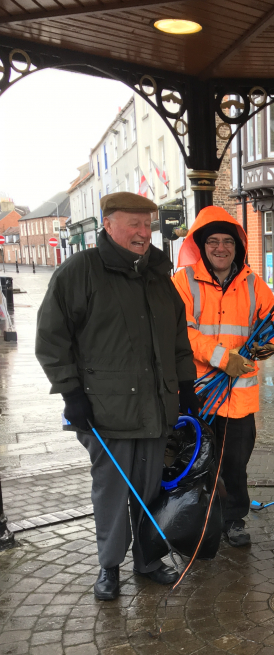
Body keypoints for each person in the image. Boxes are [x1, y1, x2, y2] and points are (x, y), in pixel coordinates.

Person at [35, 192, 198, 601]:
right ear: (108, 225)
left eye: (148, 225)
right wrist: (71, 394)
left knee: (148, 491)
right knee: (110, 492)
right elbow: (52, 338)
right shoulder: (81, 271)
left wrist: (186, 386)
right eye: (134, 224)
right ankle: (109, 566)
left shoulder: (160, 277)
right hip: (106, 411)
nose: (144, 233)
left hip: (156, 409)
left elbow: (179, 340)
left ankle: (146, 560)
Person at [173, 206, 274, 547]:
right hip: (198, 395)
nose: (221, 248)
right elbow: (179, 331)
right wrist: (221, 358)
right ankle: (201, 518)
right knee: (197, 461)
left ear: (238, 246)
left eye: (228, 241)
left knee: (234, 465)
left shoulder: (254, 284)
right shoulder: (183, 281)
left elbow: (270, 322)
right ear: (201, 246)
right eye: (213, 241)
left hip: (239, 398)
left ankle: (233, 519)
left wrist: (267, 345)